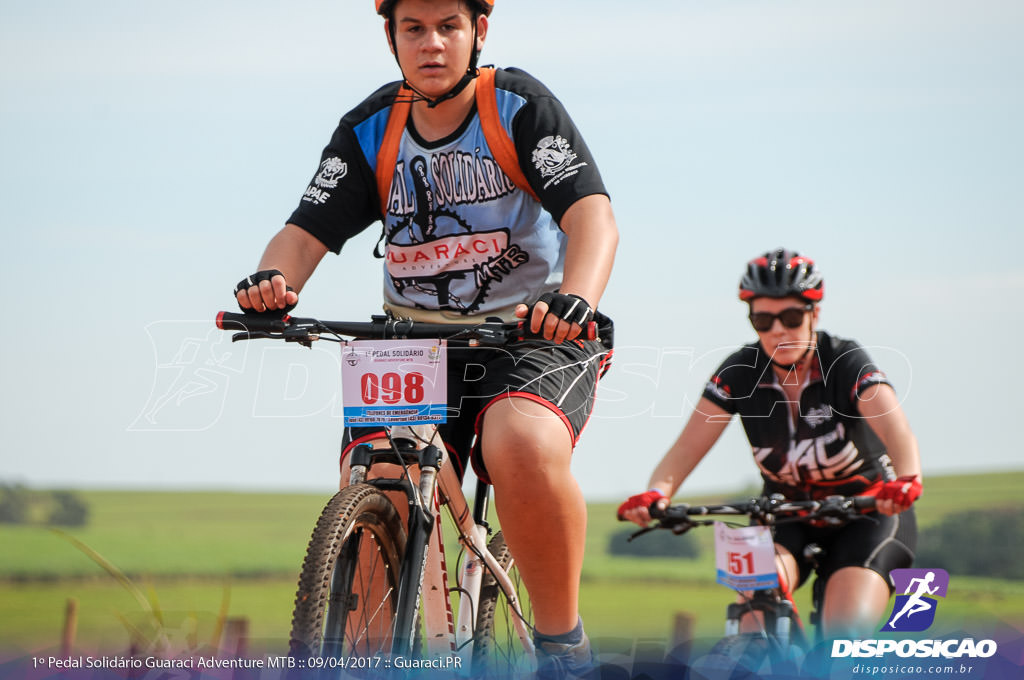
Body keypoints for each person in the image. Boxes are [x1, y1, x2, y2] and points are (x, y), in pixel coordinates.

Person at [232, 0, 617, 674]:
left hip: (529, 335)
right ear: (391, 37)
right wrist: (272, 280)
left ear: (480, 32)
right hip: (412, 343)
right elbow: (303, 234)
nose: (431, 43)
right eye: (413, 28)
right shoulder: (371, 127)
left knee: (520, 442)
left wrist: (576, 294)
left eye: (449, 26)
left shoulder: (519, 106)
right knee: (381, 474)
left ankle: (562, 645)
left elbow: (592, 215)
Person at [618, 248, 921, 640]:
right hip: (786, 514)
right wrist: (656, 493)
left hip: (866, 513)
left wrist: (908, 479)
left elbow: (897, 429)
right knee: (752, 617)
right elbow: (686, 449)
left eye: (792, 317)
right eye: (763, 320)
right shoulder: (740, 371)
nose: (779, 330)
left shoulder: (843, 360)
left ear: (815, 314)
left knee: (844, 637)